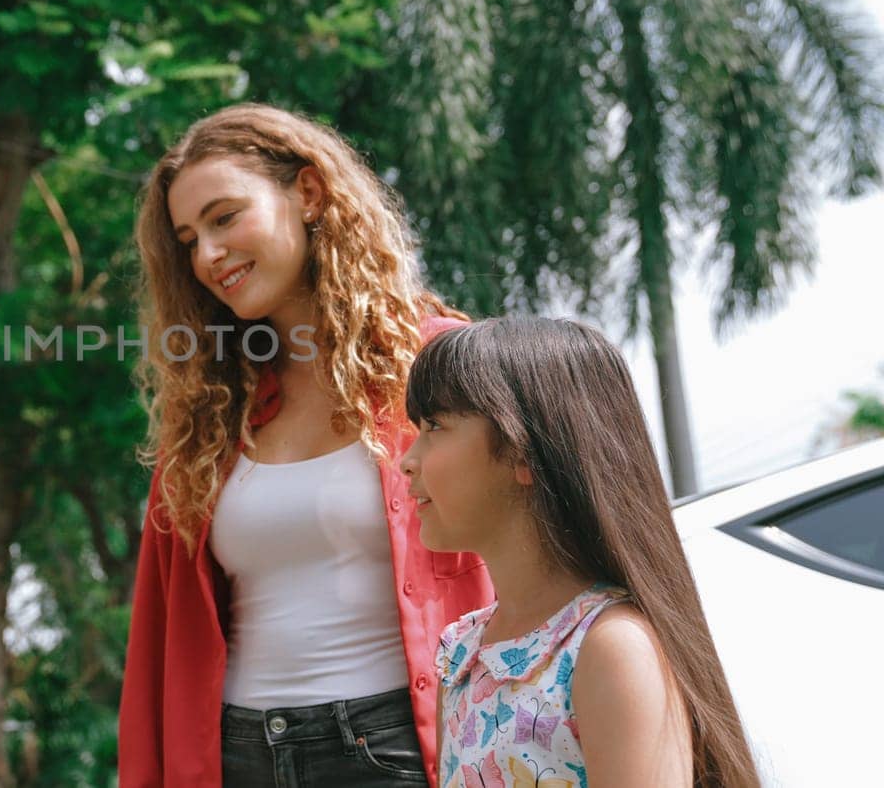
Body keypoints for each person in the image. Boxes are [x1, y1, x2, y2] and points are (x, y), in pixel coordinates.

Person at [120, 103, 494, 787]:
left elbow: (538, 559)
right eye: (188, 239)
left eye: (225, 217)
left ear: (310, 193)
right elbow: (156, 649)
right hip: (237, 756)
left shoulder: (440, 368)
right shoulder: (207, 420)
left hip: (400, 750)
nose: (206, 255)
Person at [401, 317, 758, 787]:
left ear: (522, 452)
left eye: (434, 426)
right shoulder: (462, 651)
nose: (407, 461)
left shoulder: (609, 648)